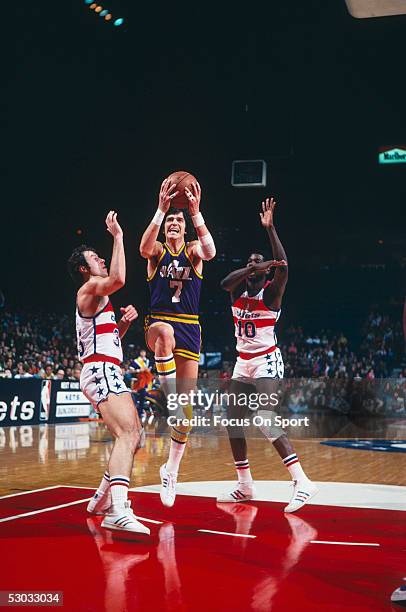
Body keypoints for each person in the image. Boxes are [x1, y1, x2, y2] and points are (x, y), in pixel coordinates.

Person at [217, 197, 318, 512]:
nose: (251, 266)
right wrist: (253, 265)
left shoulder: (271, 294)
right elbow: (223, 282)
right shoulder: (237, 292)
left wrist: (271, 228)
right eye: (248, 262)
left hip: (265, 360)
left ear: (264, 273)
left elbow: (283, 265)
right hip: (242, 362)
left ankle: (302, 482)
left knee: (263, 417)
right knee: (232, 421)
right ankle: (245, 485)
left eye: (256, 263)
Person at [67, 211, 149, 535]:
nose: (101, 259)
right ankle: (117, 509)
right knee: (128, 434)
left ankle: (101, 500)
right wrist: (118, 237)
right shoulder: (88, 290)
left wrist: (124, 324)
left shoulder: (98, 298)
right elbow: (118, 279)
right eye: (95, 258)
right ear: (84, 269)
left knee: (135, 434)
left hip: (105, 365)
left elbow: (108, 342)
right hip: (100, 369)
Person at [139, 177, 216, 506]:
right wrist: (160, 209)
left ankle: (170, 471)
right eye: (170, 220)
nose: (172, 223)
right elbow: (143, 248)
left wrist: (196, 213)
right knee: (165, 336)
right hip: (158, 323)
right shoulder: (156, 252)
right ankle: (168, 396)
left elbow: (211, 251)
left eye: (176, 220)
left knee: (187, 415)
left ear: (184, 229)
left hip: (190, 327)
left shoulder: (193, 251)